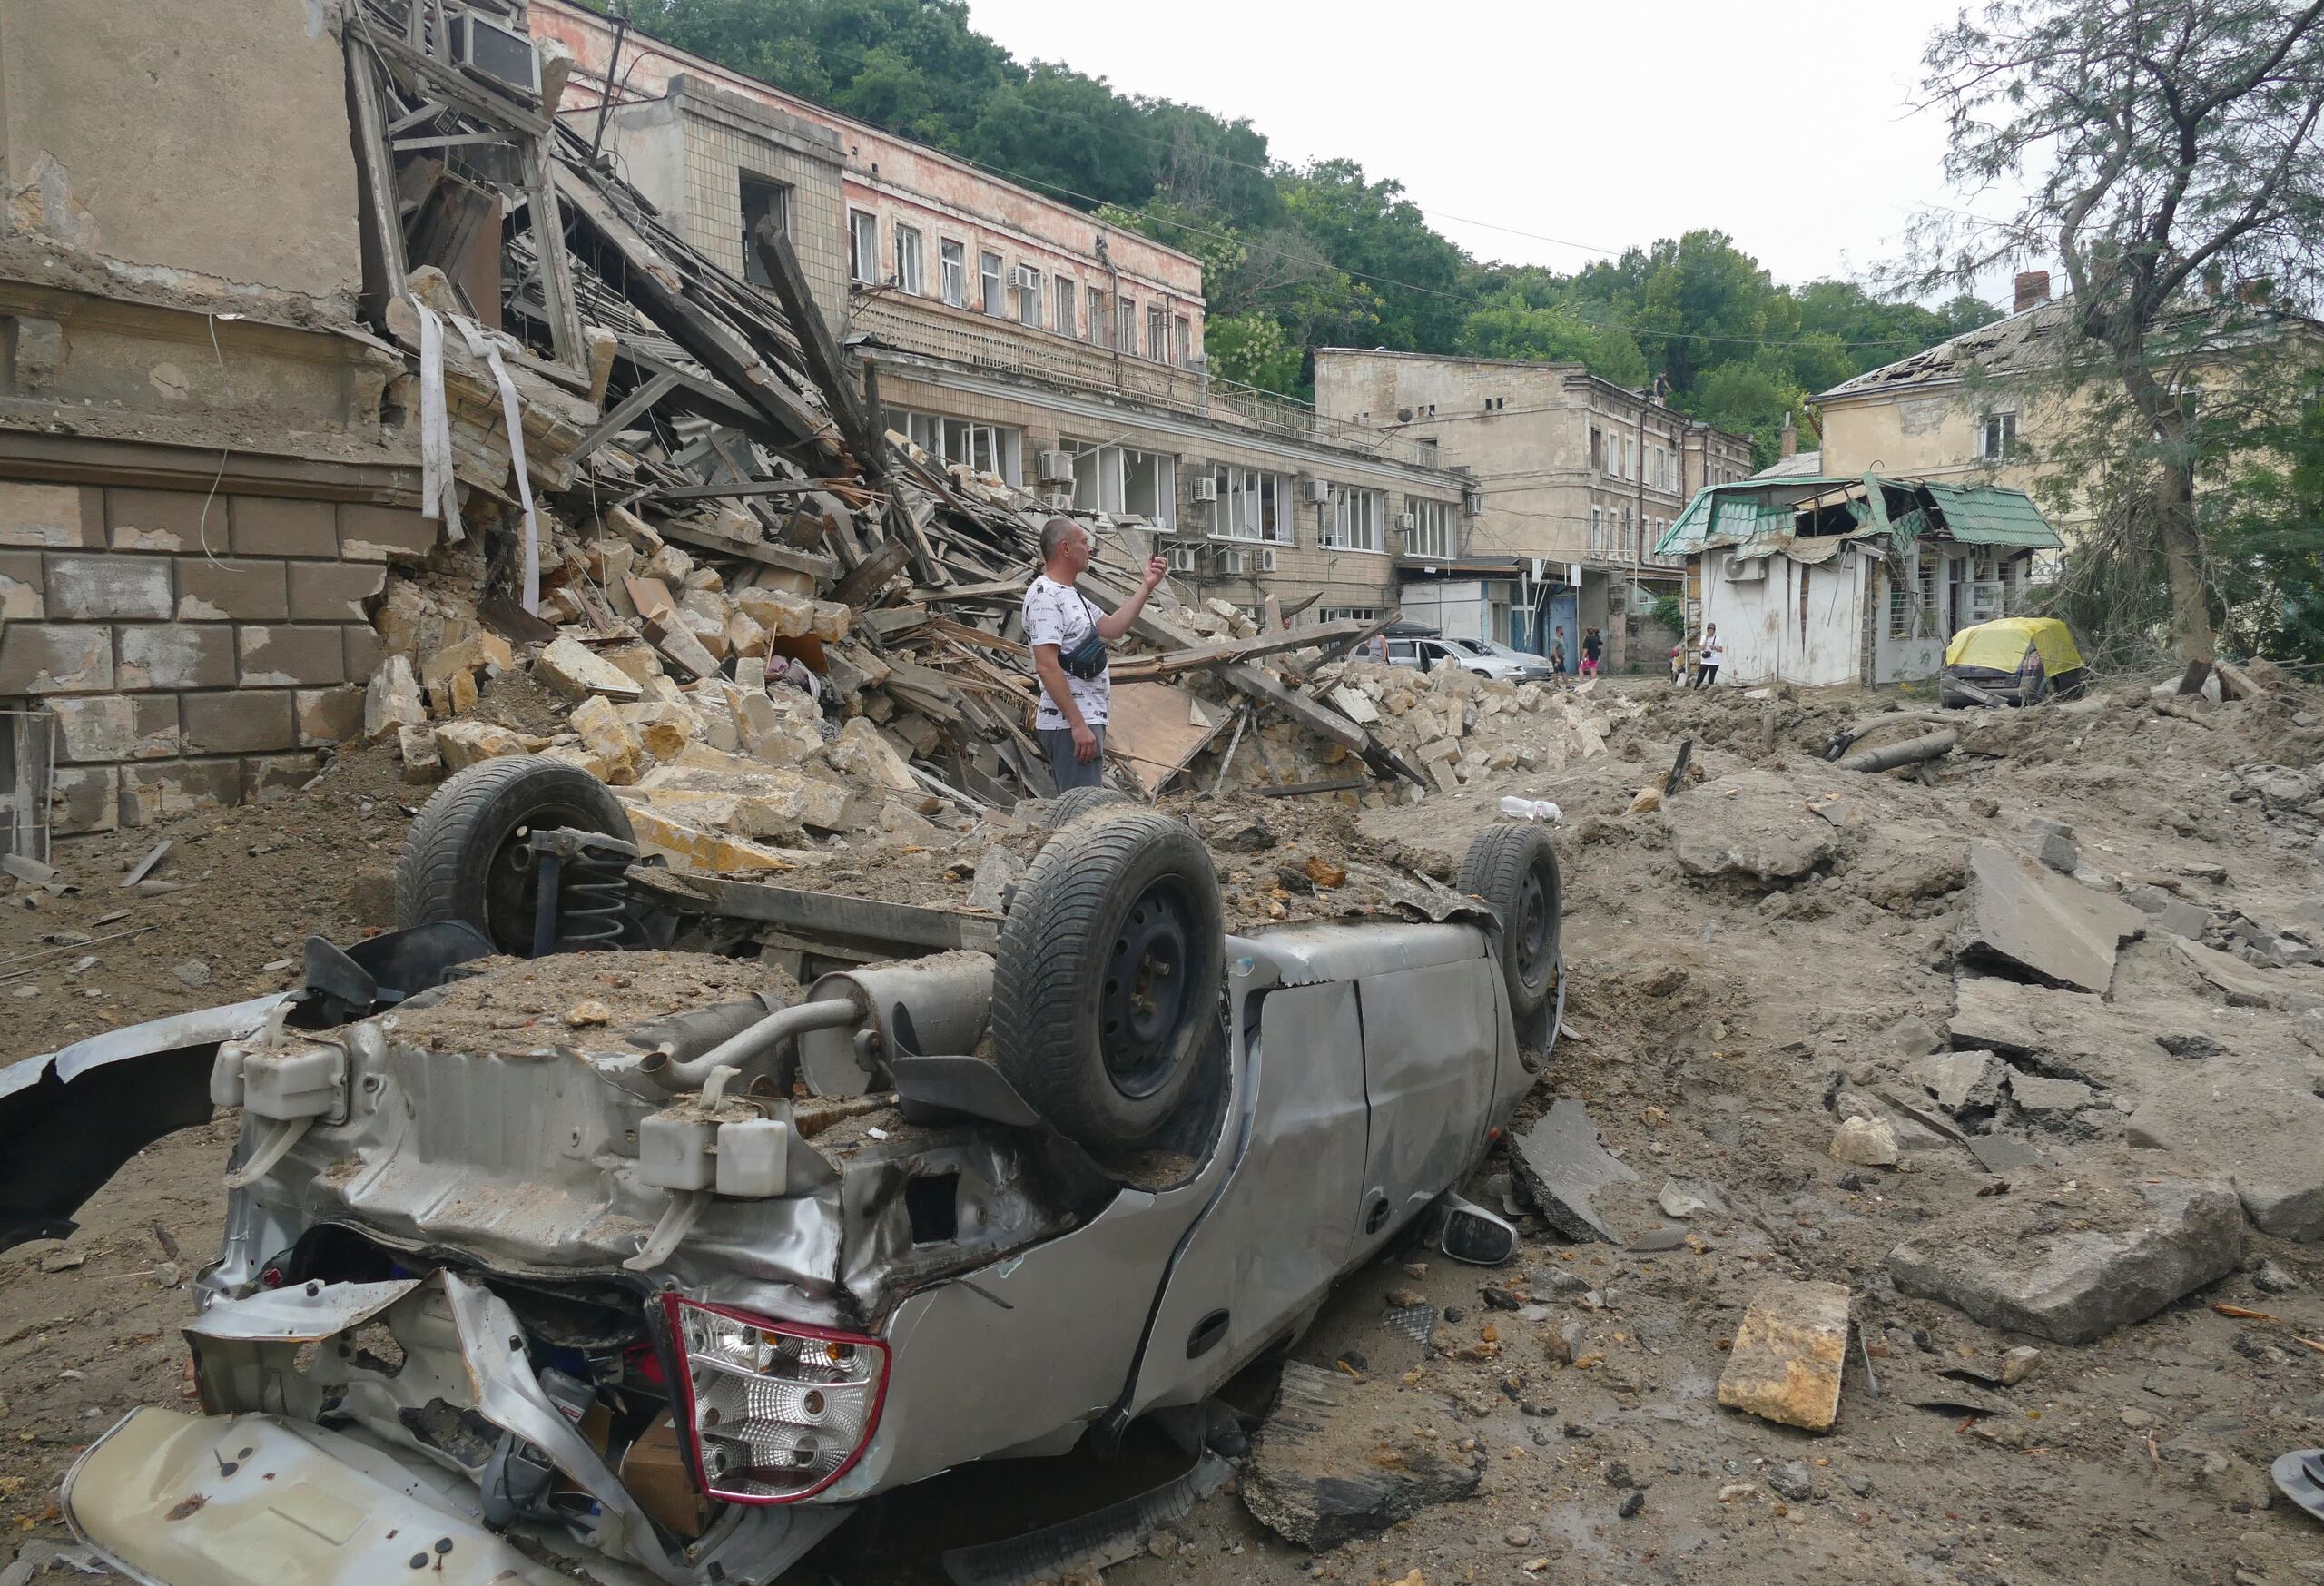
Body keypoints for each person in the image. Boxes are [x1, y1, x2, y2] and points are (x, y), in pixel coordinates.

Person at [1022, 517, 1167, 791]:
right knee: (1082, 810)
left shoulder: (1070, 594)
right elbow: (1046, 666)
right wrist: (1077, 725)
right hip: (1070, 727)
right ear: (1065, 548)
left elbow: (1113, 628)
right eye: (1084, 542)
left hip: (1086, 721)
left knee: (1085, 806)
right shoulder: (1045, 596)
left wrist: (1147, 586)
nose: (1090, 549)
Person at [1694, 623, 1723, 689]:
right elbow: (1701, 648)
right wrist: (1706, 639)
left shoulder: (1718, 638)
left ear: (1714, 630)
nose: (1710, 630)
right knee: (1700, 678)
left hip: (1714, 661)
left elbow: (1721, 649)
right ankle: (1696, 690)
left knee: (1711, 679)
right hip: (1704, 661)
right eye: (1709, 629)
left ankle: (1710, 691)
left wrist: (1714, 647)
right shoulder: (1703, 637)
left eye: (1711, 629)